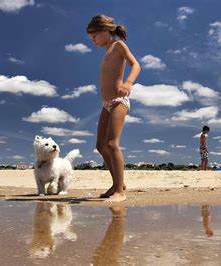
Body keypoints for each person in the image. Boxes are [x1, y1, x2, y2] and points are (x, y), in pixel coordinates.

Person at [87, 14, 141, 202]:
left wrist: (128, 82)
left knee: (112, 144)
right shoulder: (106, 52)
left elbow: (136, 65)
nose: (92, 41)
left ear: (104, 30)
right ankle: (117, 183)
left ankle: (120, 192)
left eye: (94, 36)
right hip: (106, 104)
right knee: (100, 145)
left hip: (119, 101)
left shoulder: (118, 46)